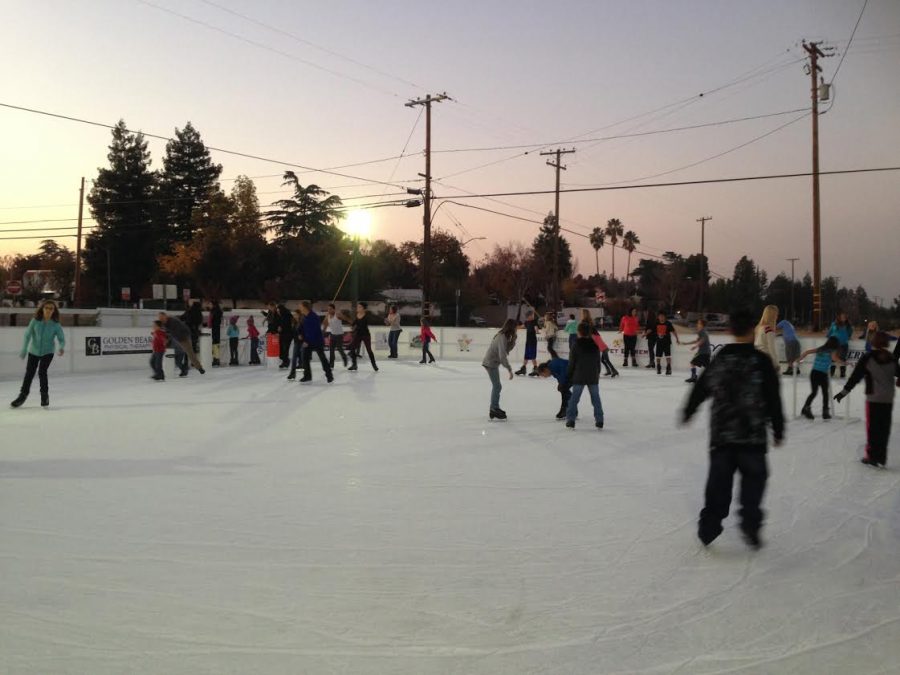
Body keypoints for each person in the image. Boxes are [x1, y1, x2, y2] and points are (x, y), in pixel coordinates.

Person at [681, 307, 784, 549]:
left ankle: (709, 527)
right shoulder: (762, 361)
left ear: (730, 330)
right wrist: (778, 429)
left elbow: (702, 388)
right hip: (753, 438)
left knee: (718, 485)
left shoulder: (722, 357)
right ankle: (750, 523)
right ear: (753, 330)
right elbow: (773, 399)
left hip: (723, 438)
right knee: (754, 483)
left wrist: (689, 410)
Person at [834, 332, 900, 468]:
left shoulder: (868, 358)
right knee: (884, 427)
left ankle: (872, 456)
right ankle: (881, 457)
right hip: (888, 399)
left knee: (873, 428)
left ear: (873, 343)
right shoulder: (892, 358)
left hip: (874, 398)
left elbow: (855, 377)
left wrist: (844, 392)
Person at [11, 300, 66, 407]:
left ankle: (44, 396)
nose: (49, 310)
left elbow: (61, 339)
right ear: (42, 309)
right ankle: (22, 396)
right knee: (29, 373)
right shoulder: (35, 321)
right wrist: (24, 349)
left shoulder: (55, 325)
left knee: (42, 372)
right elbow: (27, 335)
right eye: (47, 308)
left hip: (48, 352)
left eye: (51, 308)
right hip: (34, 351)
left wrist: (61, 347)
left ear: (54, 311)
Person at [565, 322, 605, 429]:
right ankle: (600, 420)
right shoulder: (595, 344)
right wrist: (597, 374)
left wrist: (568, 375)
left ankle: (570, 419)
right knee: (596, 398)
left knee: (574, 398)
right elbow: (598, 361)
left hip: (579, 375)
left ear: (579, 332)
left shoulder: (576, 343)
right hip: (592, 375)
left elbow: (572, 362)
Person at [798, 336, 842, 420]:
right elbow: (834, 358)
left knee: (815, 392)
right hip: (822, 374)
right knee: (824, 393)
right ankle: (823, 411)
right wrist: (846, 363)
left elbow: (807, 352)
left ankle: (807, 408)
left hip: (814, 373)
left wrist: (798, 359)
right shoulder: (832, 351)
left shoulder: (820, 349)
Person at [482, 319, 517, 420]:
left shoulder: (504, 336)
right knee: (497, 386)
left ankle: (494, 408)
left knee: (497, 386)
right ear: (512, 327)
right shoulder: (502, 337)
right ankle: (493, 409)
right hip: (490, 363)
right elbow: (502, 356)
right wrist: (509, 369)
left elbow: (506, 350)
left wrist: (513, 340)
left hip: (492, 362)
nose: (516, 329)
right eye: (515, 327)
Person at [158, 311, 205, 376]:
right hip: (178, 338)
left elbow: (177, 331)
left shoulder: (172, 321)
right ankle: (184, 368)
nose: (160, 319)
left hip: (183, 338)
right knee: (183, 353)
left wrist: (170, 338)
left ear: (165, 316)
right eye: (159, 318)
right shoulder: (165, 323)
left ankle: (199, 368)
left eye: (161, 317)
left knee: (190, 353)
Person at [299, 301, 333, 383]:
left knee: (322, 358)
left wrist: (306, 341)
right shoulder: (304, 317)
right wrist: (300, 334)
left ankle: (329, 375)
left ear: (305, 307)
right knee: (305, 357)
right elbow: (301, 327)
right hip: (308, 341)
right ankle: (307, 376)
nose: (299, 308)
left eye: (301, 306)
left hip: (317, 341)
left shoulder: (314, 317)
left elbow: (313, 331)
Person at [348, 302, 378, 372]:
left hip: (366, 335)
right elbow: (355, 323)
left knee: (369, 350)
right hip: (358, 335)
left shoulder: (367, 316)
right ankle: (354, 365)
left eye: (359, 307)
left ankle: (374, 365)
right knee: (352, 349)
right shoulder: (357, 315)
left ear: (364, 309)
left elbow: (375, 319)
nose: (358, 308)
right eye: (358, 307)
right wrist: (352, 326)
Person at [683, 318, 711, 383]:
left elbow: (703, 340)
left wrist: (696, 346)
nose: (697, 324)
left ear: (702, 325)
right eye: (697, 323)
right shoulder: (703, 331)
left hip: (703, 352)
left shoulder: (702, 331)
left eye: (698, 323)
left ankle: (694, 377)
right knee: (707, 366)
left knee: (692, 363)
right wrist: (686, 343)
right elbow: (697, 340)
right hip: (706, 352)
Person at [653, 310, 680, 376]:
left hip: (667, 342)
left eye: (662, 316)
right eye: (660, 316)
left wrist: (677, 339)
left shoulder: (668, 323)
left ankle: (668, 368)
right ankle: (658, 367)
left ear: (665, 317)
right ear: (658, 317)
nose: (661, 317)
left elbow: (674, 331)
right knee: (658, 356)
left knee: (668, 356)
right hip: (659, 342)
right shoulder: (656, 323)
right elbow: (652, 331)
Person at [827, 311, 853, 378]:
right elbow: (829, 332)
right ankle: (831, 374)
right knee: (833, 359)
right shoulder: (834, 324)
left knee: (842, 359)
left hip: (843, 345)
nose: (843, 318)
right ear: (839, 317)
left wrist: (847, 337)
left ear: (846, 318)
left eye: (844, 317)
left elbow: (850, 333)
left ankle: (842, 375)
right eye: (841, 316)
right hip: (834, 344)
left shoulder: (848, 325)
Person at [754, 305, 779, 371]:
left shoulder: (759, 328)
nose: (777, 316)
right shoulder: (768, 329)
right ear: (772, 315)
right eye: (776, 314)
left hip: (757, 358)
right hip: (765, 360)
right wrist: (776, 364)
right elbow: (771, 348)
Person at [324, 303, 348, 368]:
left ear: (334, 309)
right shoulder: (327, 316)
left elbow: (346, 318)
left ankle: (345, 358)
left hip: (339, 335)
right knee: (331, 350)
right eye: (328, 309)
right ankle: (331, 364)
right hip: (332, 335)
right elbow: (325, 325)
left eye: (330, 309)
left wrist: (353, 324)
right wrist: (323, 332)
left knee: (340, 349)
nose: (329, 310)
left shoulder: (337, 315)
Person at [515, 310, 538, 376]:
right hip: (528, 341)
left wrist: (537, 330)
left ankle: (536, 369)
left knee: (532, 355)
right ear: (529, 316)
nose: (533, 316)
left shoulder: (534, 321)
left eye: (533, 315)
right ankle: (523, 369)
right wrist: (514, 327)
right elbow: (521, 327)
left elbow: (536, 327)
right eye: (532, 315)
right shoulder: (526, 322)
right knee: (526, 355)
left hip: (533, 341)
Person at [286, 308, 305, 380]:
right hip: (296, 343)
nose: (295, 315)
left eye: (296, 314)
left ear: (299, 315)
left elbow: (305, 332)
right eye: (294, 314)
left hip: (302, 343)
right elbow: (293, 333)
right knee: (294, 359)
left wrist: (302, 336)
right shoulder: (294, 323)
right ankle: (292, 374)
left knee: (303, 360)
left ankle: (305, 374)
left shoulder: (303, 322)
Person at [209, 300, 223, 367]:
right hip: (217, 328)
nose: (209, 305)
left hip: (214, 329)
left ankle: (215, 359)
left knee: (214, 344)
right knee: (216, 344)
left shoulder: (214, 311)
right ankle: (216, 359)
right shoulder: (219, 311)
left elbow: (211, 320)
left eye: (210, 304)